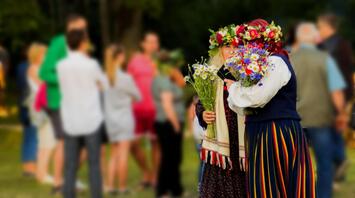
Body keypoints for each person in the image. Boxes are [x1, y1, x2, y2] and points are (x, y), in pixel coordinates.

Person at [226, 19, 316, 197]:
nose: (247, 46)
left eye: (251, 41)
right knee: (263, 186)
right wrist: (238, 89)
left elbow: (258, 97)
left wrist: (234, 88)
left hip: (276, 130)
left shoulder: (276, 62)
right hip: (260, 129)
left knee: (276, 186)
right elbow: (241, 106)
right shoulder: (256, 66)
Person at [290, 22, 347, 198]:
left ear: (298, 38)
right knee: (324, 162)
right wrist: (342, 114)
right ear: (315, 38)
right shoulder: (325, 59)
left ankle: (298, 192)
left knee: (296, 163)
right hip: (321, 118)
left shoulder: (289, 59)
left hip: (296, 118)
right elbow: (336, 91)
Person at [195, 25, 246, 197]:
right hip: (219, 139)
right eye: (227, 47)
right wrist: (203, 114)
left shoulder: (248, 74)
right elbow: (201, 103)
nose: (232, 51)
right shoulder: (211, 75)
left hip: (241, 139)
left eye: (236, 47)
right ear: (219, 50)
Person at [39, 13, 88, 193]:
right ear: (71, 26)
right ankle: (58, 183)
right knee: (63, 142)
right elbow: (44, 73)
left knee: (83, 144)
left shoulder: (80, 45)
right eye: (82, 27)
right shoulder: (59, 42)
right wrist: (66, 79)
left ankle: (68, 178)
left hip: (76, 101)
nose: (85, 31)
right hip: (59, 100)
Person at [57, 29, 107, 198]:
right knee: (94, 164)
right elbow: (104, 84)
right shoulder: (91, 65)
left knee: (70, 165)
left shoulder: (61, 65)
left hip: (70, 119)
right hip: (91, 119)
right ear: (83, 43)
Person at [317, 13, 353, 180]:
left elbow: (344, 74)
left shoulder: (337, 46)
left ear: (328, 27)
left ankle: (338, 159)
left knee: (331, 128)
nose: (319, 30)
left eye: (320, 27)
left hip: (335, 95)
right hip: (330, 95)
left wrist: (344, 100)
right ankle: (337, 164)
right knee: (332, 130)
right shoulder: (329, 45)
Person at [104, 44, 141, 194]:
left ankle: (110, 186)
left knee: (113, 155)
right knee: (123, 154)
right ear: (119, 56)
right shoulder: (126, 78)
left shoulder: (104, 77)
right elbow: (138, 96)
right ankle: (122, 187)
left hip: (110, 120)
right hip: (124, 119)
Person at [127, 31, 160, 186]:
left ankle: (154, 177)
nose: (153, 45)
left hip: (156, 109)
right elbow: (127, 83)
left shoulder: (162, 61)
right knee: (132, 144)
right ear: (143, 44)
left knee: (156, 143)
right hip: (136, 110)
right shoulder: (135, 61)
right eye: (149, 42)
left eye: (155, 42)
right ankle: (146, 171)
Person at [152, 53, 186, 197]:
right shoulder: (164, 80)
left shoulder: (166, 78)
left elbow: (182, 83)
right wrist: (175, 124)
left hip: (166, 122)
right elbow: (167, 105)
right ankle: (164, 190)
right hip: (168, 122)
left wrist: (175, 73)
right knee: (170, 158)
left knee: (173, 157)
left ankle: (174, 188)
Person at [26, 43, 57, 184]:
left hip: (44, 107)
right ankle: (42, 173)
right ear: (38, 55)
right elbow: (45, 85)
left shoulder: (39, 69)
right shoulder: (34, 69)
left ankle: (41, 172)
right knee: (48, 141)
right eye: (45, 54)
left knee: (45, 141)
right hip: (42, 109)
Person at [16, 48, 37, 177]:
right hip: (31, 103)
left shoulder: (20, 67)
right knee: (33, 136)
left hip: (22, 103)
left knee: (27, 136)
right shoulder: (33, 68)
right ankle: (31, 168)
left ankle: (27, 167)